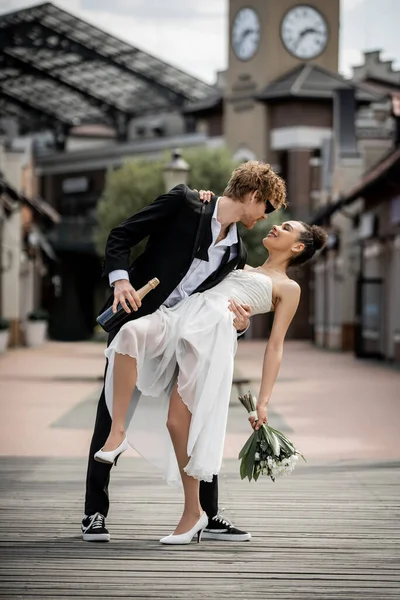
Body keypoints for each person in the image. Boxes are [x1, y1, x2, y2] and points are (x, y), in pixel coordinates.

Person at [82, 160, 287, 543]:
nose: (265, 217)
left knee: (198, 417)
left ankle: (208, 515)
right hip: (140, 322)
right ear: (255, 196)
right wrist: (120, 281)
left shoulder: (235, 253)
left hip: (185, 335)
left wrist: (241, 327)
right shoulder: (185, 203)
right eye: (267, 207)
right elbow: (120, 237)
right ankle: (94, 513)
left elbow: (219, 305)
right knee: (111, 414)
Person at [95, 215, 328, 544]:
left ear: (298, 247)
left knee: (178, 425)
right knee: (130, 332)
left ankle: (194, 513)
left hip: (211, 341)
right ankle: (117, 432)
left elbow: (275, 347)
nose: (276, 227)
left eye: (286, 229)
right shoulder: (238, 262)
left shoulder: (289, 288)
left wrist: (263, 401)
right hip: (182, 317)